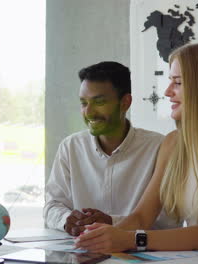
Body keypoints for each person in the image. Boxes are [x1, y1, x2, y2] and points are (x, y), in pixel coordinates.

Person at [75, 43, 198, 263]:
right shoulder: (172, 143)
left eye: (178, 82)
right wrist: (100, 237)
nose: (167, 92)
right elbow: (142, 216)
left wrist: (129, 239)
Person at [44, 61, 178, 236]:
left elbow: (168, 220)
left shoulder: (159, 148)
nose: (89, 112)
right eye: (84, 103)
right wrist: (67, 219)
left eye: (99, 102)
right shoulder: (71, 147)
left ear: (125, 102)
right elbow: (52, 205)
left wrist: (111, 223)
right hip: (82, 252)